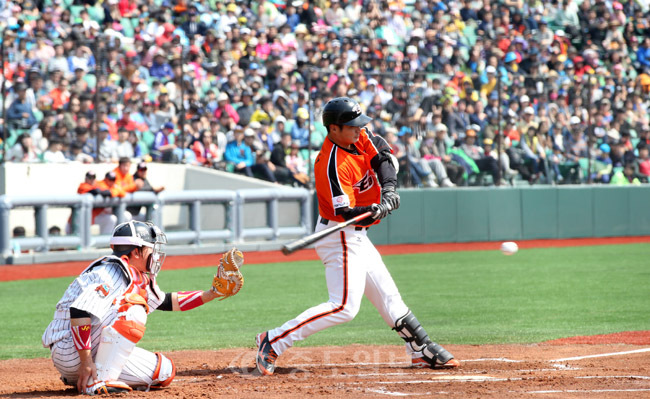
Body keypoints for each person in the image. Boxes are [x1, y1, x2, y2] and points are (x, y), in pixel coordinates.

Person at [255, 97, 459, 376]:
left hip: (357, 235)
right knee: (343, 307)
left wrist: (388, 190)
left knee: (389, 297)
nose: (358, 130)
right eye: (351, 126)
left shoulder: (358, 136)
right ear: (334, 129)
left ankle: (420, 349)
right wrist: (375, 211)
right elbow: (348, 212)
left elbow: (383, 158)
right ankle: (273, 341)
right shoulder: (331, 164)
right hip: (338, 233)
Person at [42, 221, 244, 394]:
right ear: (136, 251)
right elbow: (79, 311)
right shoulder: (111, 271)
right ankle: (97, 380)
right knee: (134, 309)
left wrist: (212, 294)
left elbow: (165, 301)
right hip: (70, 349)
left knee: (164, 371)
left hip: (87, 349)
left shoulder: (134, 274)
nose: (156, 255)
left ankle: (83, 377)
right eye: (151, 249)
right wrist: (85, 362)